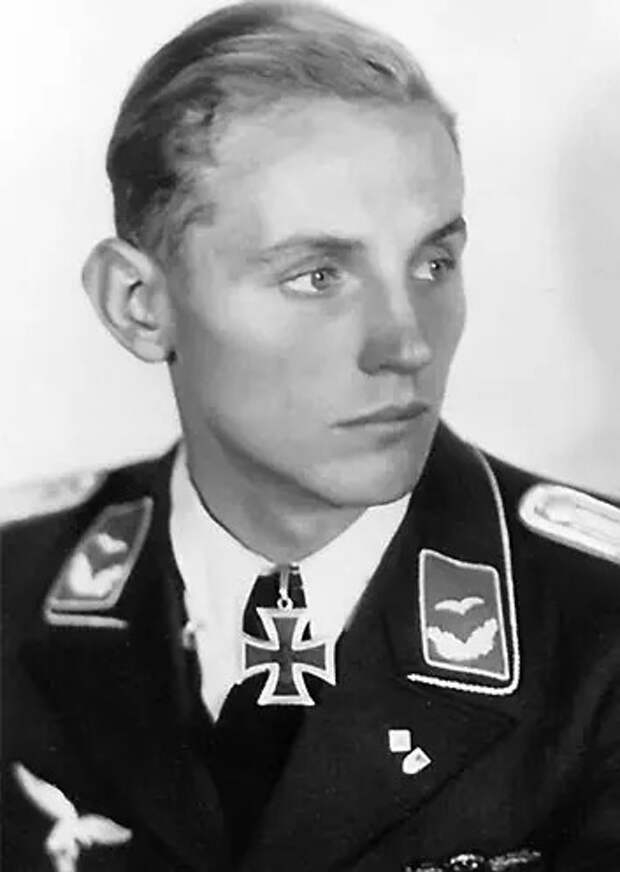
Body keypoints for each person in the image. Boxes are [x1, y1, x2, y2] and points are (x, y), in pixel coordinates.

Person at [2, 2, 619, 870]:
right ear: (138, 305)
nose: (406, 343)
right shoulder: (17, 587)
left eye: (434, 263)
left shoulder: (598, 626)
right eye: (318, 275)